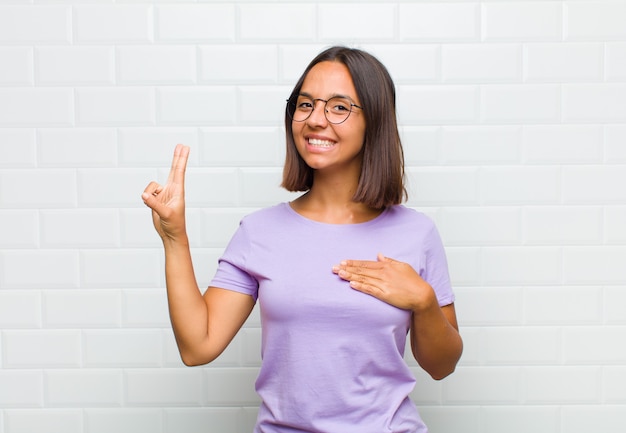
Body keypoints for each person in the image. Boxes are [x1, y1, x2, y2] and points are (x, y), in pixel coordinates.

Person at [142, 46, 463, 433]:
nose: (315, 120)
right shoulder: (260, 232)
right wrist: (175, 237)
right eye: (306, 104)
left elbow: (442, 366)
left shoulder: (416, 233)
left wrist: (424, 302)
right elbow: (198, 346)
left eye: (339, 107)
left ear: (374, 120)